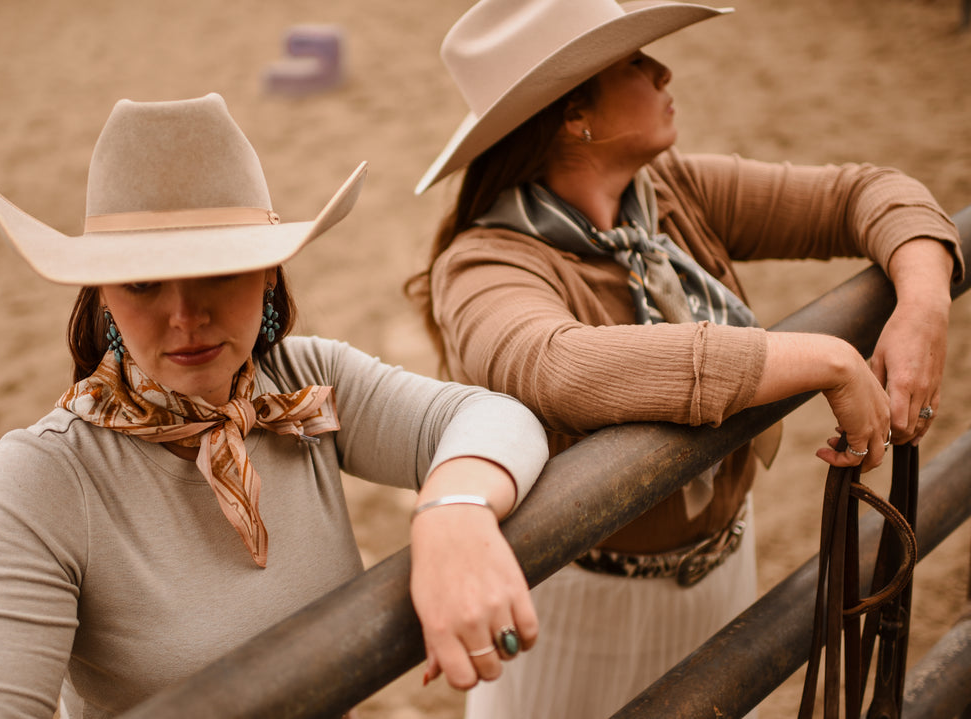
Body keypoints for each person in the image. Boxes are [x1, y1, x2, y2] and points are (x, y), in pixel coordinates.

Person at [0, 93, 550, 719]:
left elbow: (497, 416)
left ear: (270, 271)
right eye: (142, 283)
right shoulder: (47, 476)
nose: (186, 317)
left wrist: (453, 514)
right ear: (101, 294)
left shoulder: (306, 380)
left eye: (220, 270)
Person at [408, 0, 963, 717]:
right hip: (580, 610)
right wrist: (823, 357)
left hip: (724, 570)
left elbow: (865, 192)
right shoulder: (482, 266)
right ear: (576, 112)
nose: (663, 68)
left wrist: (923, 304)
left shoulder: (670, 192)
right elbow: (565, 367)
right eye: (636, 61)